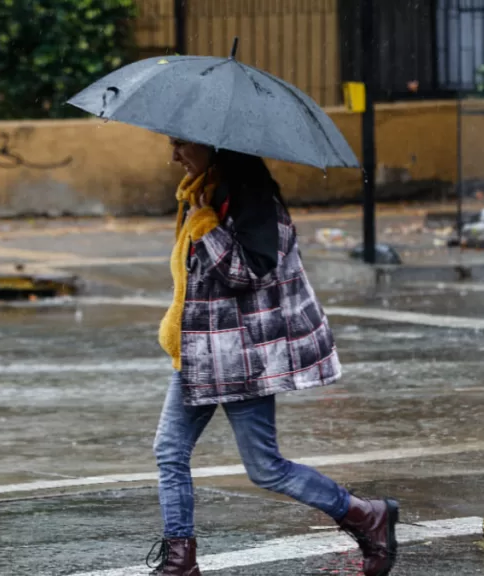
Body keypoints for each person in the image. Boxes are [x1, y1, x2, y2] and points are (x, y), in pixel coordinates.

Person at [147, 140, 399, 576]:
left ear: (213, 145)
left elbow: (247, 271)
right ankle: (180, 560)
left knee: (265, 468)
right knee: (170, 450)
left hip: (241, 359)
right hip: (202, 355)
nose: (175, 157)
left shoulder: (249, 199)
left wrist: (206, 224)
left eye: (181, 145)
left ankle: (365, 514)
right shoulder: (203, 193)